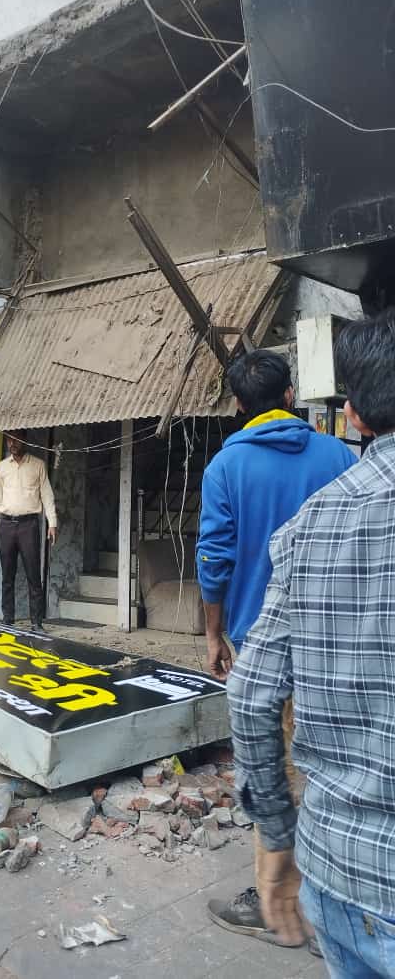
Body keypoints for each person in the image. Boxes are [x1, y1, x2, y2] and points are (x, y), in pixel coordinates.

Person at [227, 311, 395, 974]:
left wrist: (277, 841)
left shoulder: (249, 481)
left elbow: (250, 697)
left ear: (353, 413)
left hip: (334, 868)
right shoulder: (326, 461)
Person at [197, 349, 356, 948]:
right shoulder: (339, 454)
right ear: (291, 394)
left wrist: (214, 635)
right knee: (330, 765)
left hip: (261, 641)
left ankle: (280, 901)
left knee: (275, 767)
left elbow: (214, 559)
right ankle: (338, 886)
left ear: (240, 405)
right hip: (336, 636)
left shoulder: (226, 467)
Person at [0, 431, 57, 631]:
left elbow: (47, 496)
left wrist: (52, 523)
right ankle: (8, 619)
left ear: (24, 441)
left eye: (15, 439)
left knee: (34, 575)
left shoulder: (38, 465)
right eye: (9, 440)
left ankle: (36, 622)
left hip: (28, 526)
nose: (12, 443)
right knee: (7, 575)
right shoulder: (2, 467)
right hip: (6, 525)